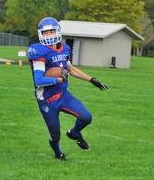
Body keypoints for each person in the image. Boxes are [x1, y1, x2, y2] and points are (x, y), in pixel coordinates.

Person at [27, 17, 108, 160]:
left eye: (52, 31)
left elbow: (70, 69)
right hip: (47, 100)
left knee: (86, 117)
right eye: (46, 33)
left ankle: (75, 133)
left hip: (63, 94)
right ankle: (58, 154)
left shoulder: (65, 49)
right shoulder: (38, 51)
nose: (49, 35)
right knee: (55, 135)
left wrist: (92, 79)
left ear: (58, 32)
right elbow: (39, 80)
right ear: (41, 34)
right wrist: (59, 79)